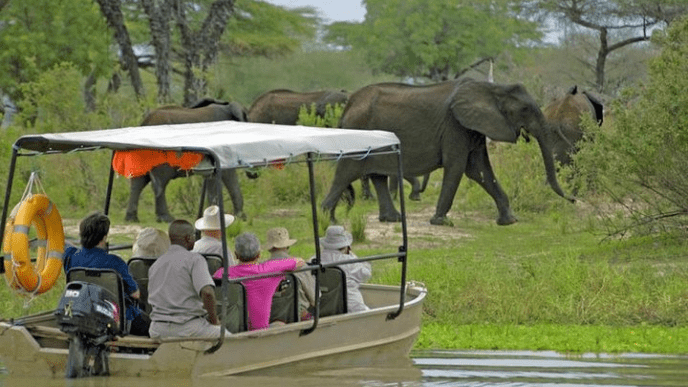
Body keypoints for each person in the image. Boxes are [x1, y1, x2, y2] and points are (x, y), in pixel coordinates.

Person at [62, 212, 150, 336]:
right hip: (117, 319)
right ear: (103, 238)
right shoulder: (115, 262)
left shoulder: (70, 256)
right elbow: (135, 294)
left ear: (81, 234)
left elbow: (66, 246)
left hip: (82, 314)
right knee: (151, 325)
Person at [148, 219, 226, 339]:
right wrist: (214, 320)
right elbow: (208, 293)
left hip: (157, 329)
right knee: (228, 338)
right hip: (186, 327)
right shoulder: (195, 260)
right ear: (189, 238)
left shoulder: (156, 264)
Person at [213, 232, 305, 331]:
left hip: (232, 330)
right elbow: (300, 261)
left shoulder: (221, 273)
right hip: (259, 331)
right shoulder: (269, 269)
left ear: (236, 255)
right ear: (259, 255)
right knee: (280, 323)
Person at [316, 225, 371, 313]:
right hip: (351, 307)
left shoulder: (314, 260)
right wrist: (351, 255)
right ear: (346, 246)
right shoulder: (350, 262)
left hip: (323, 308)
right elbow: (366, 273)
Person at [265, 227, 316, 321]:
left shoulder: (261, 269)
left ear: (270, 248)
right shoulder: (300, 266)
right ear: (287, 246)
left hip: (268, 317)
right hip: (297, 316)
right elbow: (314, 298)